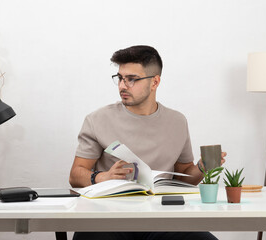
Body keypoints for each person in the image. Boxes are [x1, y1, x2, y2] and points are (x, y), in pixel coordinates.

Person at [69, 45, 226, 240]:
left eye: (131, 79)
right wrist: (104, 177)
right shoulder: (97, 119)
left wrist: (202, 168)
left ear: (155, 82)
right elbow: (76, 175)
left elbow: (183, 177)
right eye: (119, 78)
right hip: (108, 218)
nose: (122, 86)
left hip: (163, 219)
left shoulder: (177, 121)